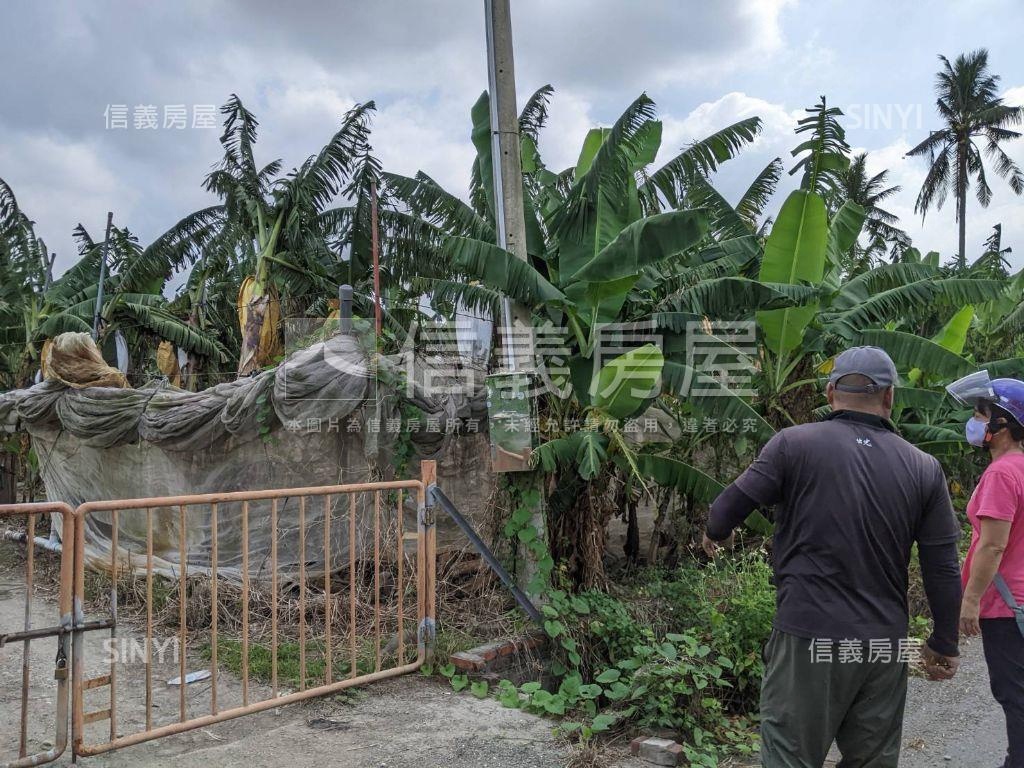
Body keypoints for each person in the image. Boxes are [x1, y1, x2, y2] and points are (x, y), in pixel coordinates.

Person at [702, 346, 962, 768]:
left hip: (809, 638)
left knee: (790, 758)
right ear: (889, 398)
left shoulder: (793, 444)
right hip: (881, 645)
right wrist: (944, 643)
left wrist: (717, 535)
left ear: (829, 393)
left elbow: (722, 514)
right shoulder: (924, 467)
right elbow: (942, 566)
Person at [948, 372, 1024, 768]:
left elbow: (993, 544)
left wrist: (970, 601)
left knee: (1015, 696)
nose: (974, 422)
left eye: (980, 414)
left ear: (1001, 424)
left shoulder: (1001, 474)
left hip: (1007, 605)